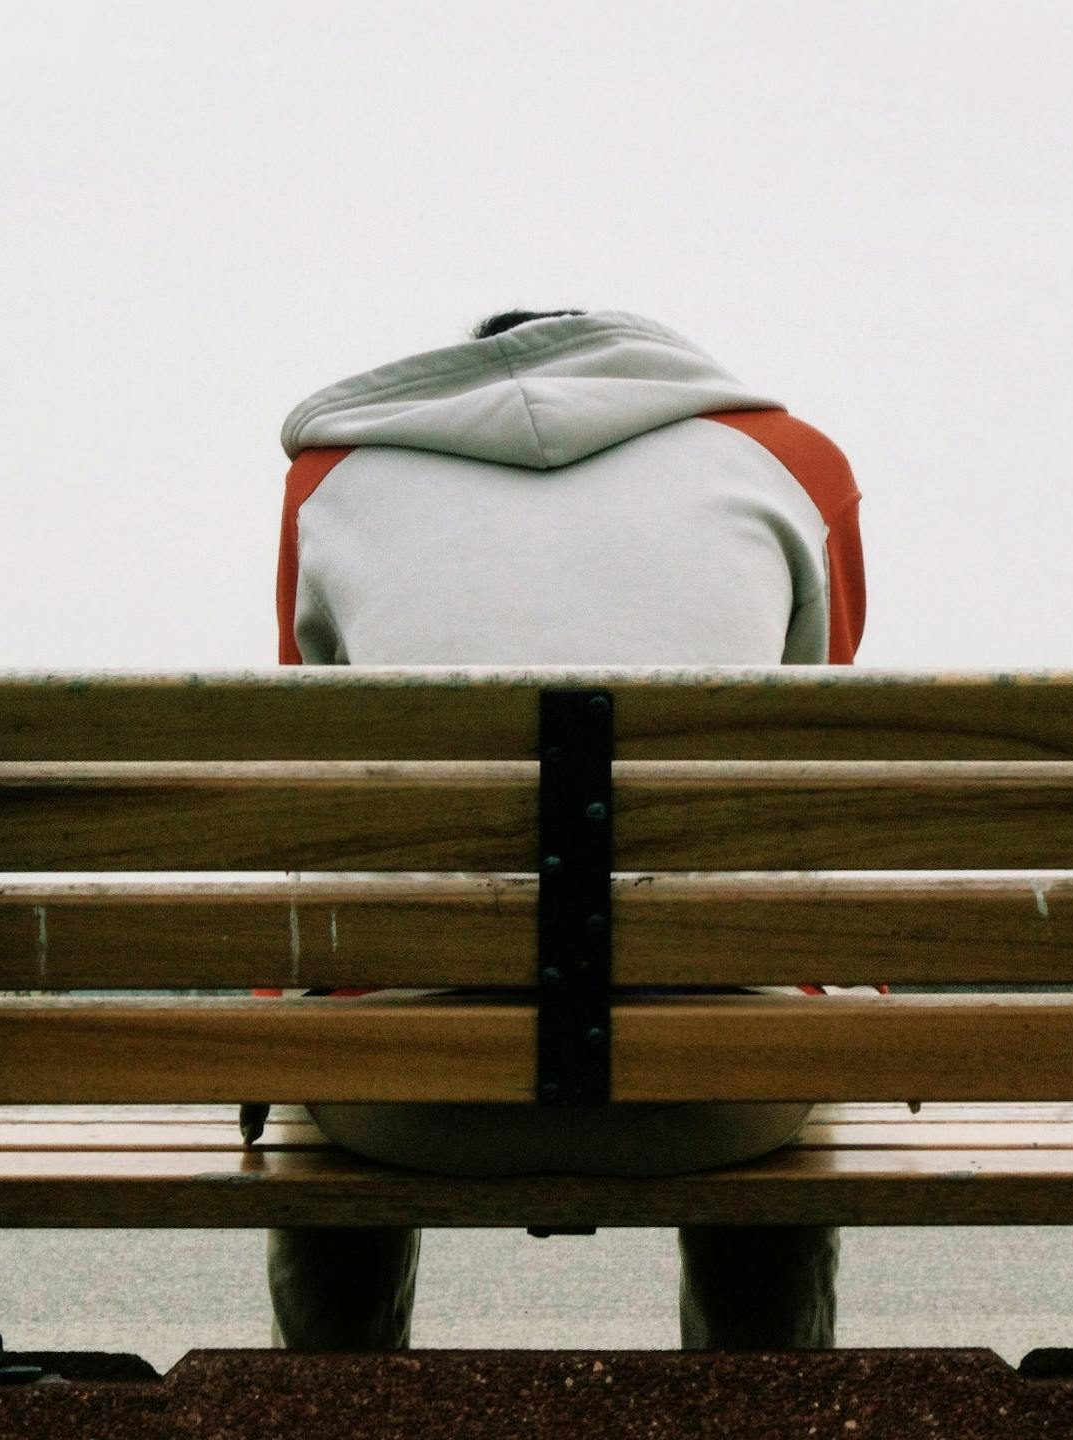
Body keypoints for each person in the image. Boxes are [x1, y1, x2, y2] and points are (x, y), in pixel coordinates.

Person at [267, 308, 867, 1350]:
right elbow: (804, 759)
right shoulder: (793, 463)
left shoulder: (333, 481)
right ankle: (765, 1409)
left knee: (338, 1017)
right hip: (721, 1102)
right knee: (765, 1001)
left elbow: (326, 780)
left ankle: (329, 1404)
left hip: (402, 1103)